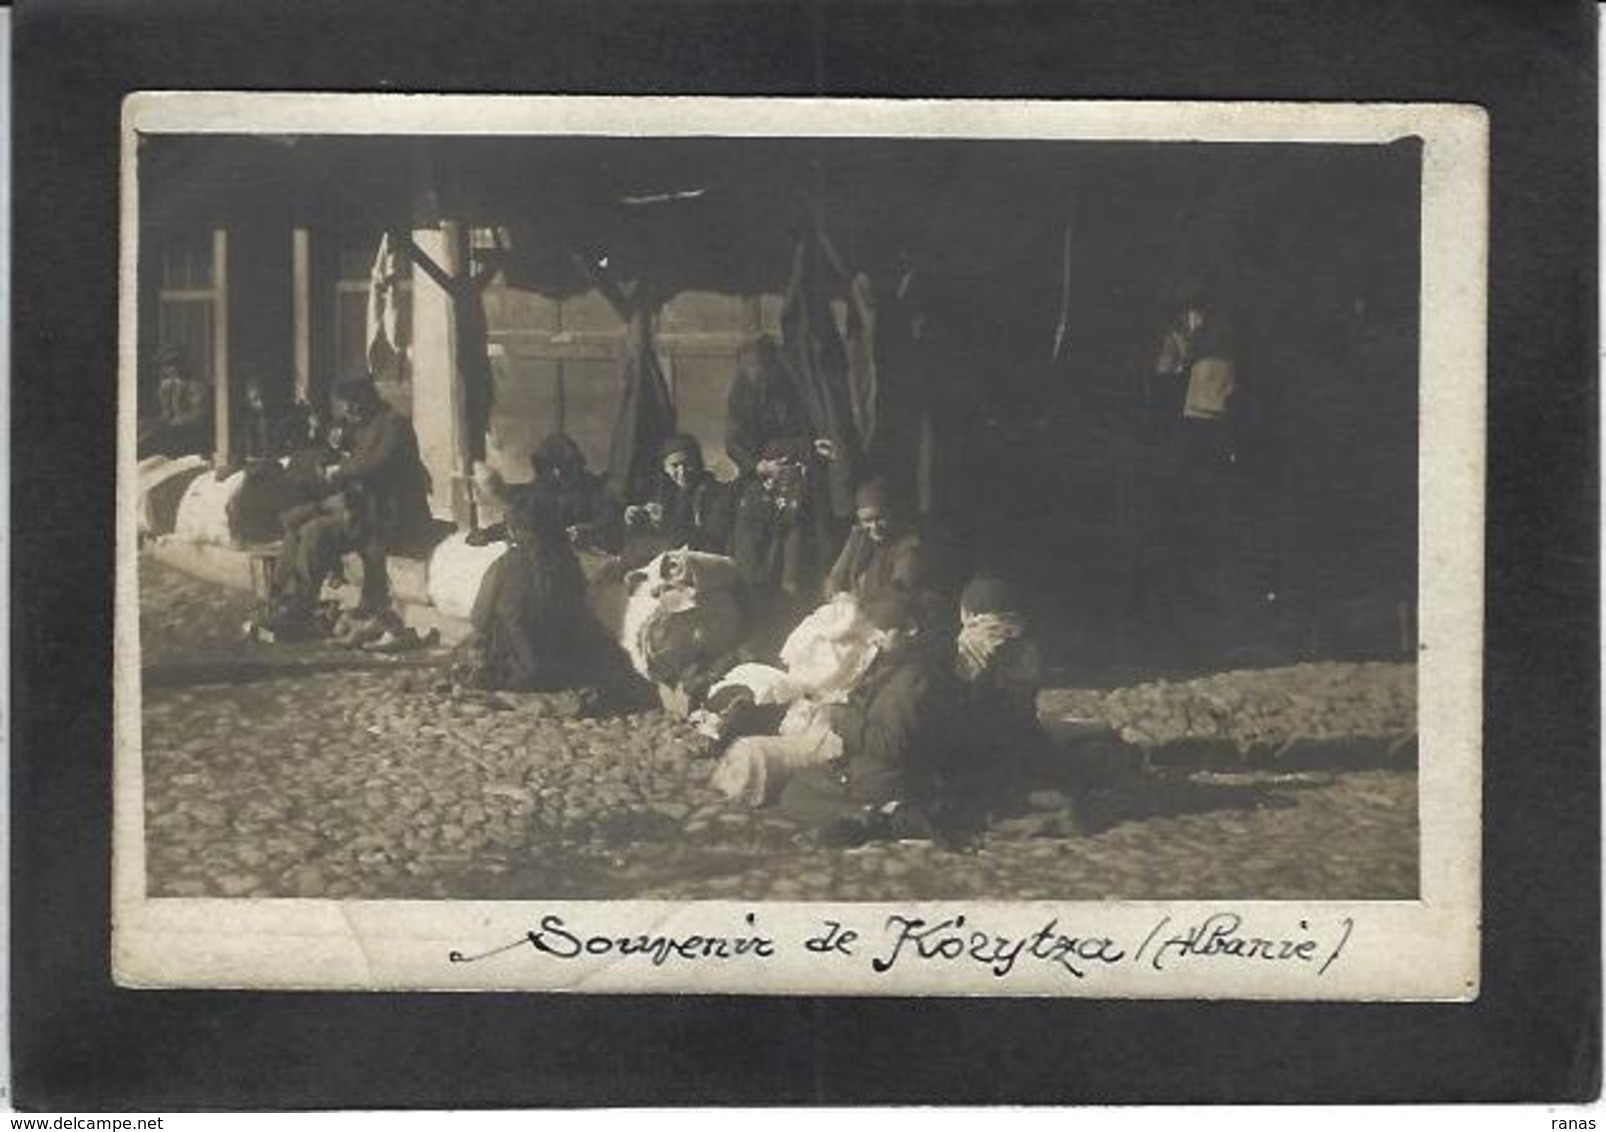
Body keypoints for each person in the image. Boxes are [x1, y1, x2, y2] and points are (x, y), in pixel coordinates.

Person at [777, 588, 956, 846]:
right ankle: (868, 817)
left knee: (795, 794)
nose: (877, 640)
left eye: (884, 631)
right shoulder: (903, 668)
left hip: (886, 778)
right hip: (884, 773)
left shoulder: (910, 680)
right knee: (800, 787)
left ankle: (868, 818)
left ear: (911, 629)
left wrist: (841, 717)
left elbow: (892, 744)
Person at [267, 374, 432, 625]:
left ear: (368, 398)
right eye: (346, 405)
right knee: (295, 524)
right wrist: (328, 454)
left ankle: (300, 610)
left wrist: (340, 470)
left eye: (354, 403)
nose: (350, 411)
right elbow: (334, 452)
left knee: (315, 532)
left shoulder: (394, 425)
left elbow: (377, 465)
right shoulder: (359, 425)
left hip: (390, 515)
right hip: (364, 507)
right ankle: (282, 599)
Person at [448, 491, 625, 694]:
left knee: (475, 643)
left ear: (515, 531)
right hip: (569, 663)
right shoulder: (569, 563)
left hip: (521, 668)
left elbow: (479, 618)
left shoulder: (505, 565)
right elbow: (580, 605)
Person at [944, 575, 1047, 826]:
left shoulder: (969, 644)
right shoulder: (1025, 644)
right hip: (1023, 736)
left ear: (967, 611)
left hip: (977, 747)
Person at [468, 432, 618, 552]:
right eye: (549, 469)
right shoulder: (543, 488)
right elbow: (527, 513)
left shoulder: (591, 488)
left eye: (558, 468)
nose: (554, 473)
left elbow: (608, 521)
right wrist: (490, 534)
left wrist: (587, 532)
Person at [621, 433, 733, 566]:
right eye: (674, 466)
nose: (682, 472)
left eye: (689, 464)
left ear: (699, 463)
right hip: (671, 559)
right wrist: (637, 518)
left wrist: (665, 523)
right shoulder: (662, 492)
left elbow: (712, 541)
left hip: (702, 561)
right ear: (665, 468)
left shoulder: (715, 492)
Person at [821, 478, 933, 604]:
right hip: (858, 610)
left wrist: (858, 606)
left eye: (880, 518)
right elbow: (835, 577)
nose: (875, 527)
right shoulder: (859, 536)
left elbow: (896, 598)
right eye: (867, 520)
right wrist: (836, 595)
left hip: (891, 616)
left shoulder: (908, 548)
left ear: (892, 514)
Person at [137, 342, 212, 458]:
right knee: (141, 428)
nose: (173, 368)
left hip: (191, 433)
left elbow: (200, 415)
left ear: (184, 362)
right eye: (167, 365)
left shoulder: (196, 384)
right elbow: (166, 413)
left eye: (176, 363)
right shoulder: (166, 385)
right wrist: (151, 423)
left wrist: (169, 425)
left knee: (151, 437)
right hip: (172, 430)